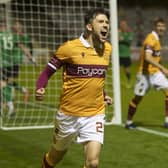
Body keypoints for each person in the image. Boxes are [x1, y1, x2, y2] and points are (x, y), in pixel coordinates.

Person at [35, 8, 113, 168]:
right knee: (54, 158)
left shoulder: (108, 49)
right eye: (101, 21)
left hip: (94, 114)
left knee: (93, 162)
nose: (105, 25)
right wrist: (40, 87)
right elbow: (47, 71)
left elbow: (97, 78)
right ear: (89, 26)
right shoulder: (69, 48)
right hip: (68, 115)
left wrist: (103, 94)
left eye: (107, 22)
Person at [125, 17, 168, 129]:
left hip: (156, 73)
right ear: (155, 27)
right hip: (144, 74)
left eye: (162, 26)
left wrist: (160, 69)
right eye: (159, 26)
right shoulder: (150, 39)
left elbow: (157, 56)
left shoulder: (158, 39)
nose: (161, 28)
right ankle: (128, 122)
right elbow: (148, 58)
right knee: (137, 98)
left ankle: (167, 121)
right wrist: (163, 68)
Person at [0, 20, 35, 117]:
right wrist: (31, 58)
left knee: (3, 84)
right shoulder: (12, 36)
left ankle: (9, 106)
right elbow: (22, 46)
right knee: (7, 83)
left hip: (4, 63)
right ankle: (23, 91)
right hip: (15, 64)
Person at [118, 19, 134, 88]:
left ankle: (129, 81)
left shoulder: (130, 33)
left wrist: (122, 39)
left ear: (126, 26)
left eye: (124, 25)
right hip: (118, 55)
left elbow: (129, 42)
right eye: (121, 25)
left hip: (126, 55)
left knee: (127, 70)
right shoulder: (118, 32)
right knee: (116, 70)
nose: (123, 26)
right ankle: (116, 83)